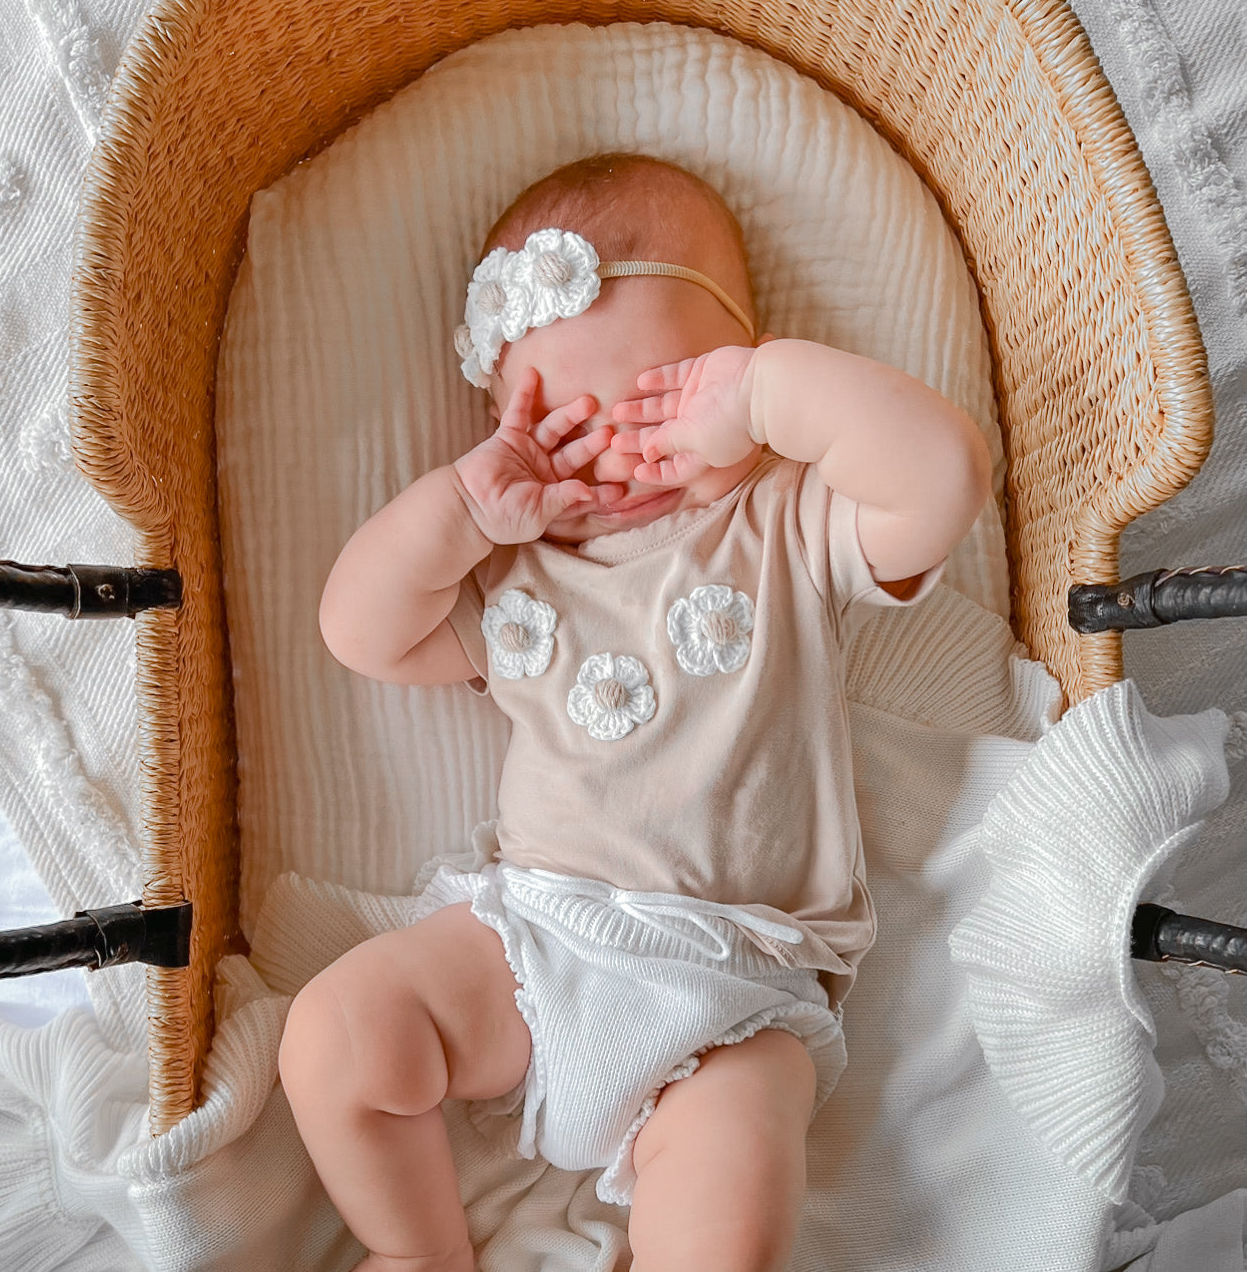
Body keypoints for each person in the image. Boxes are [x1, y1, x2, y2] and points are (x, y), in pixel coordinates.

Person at [278, 153, 990, 1271]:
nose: (625, 448)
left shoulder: (783, 528)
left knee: (730, 1201)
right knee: (334, 1038)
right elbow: (357, 632)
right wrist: (465, 508)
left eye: (671, 395)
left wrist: (765, 399)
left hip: (735, 990)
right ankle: (418, 1248)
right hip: (536, 941)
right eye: (568, 425)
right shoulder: (515, 581)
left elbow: (943, 471)